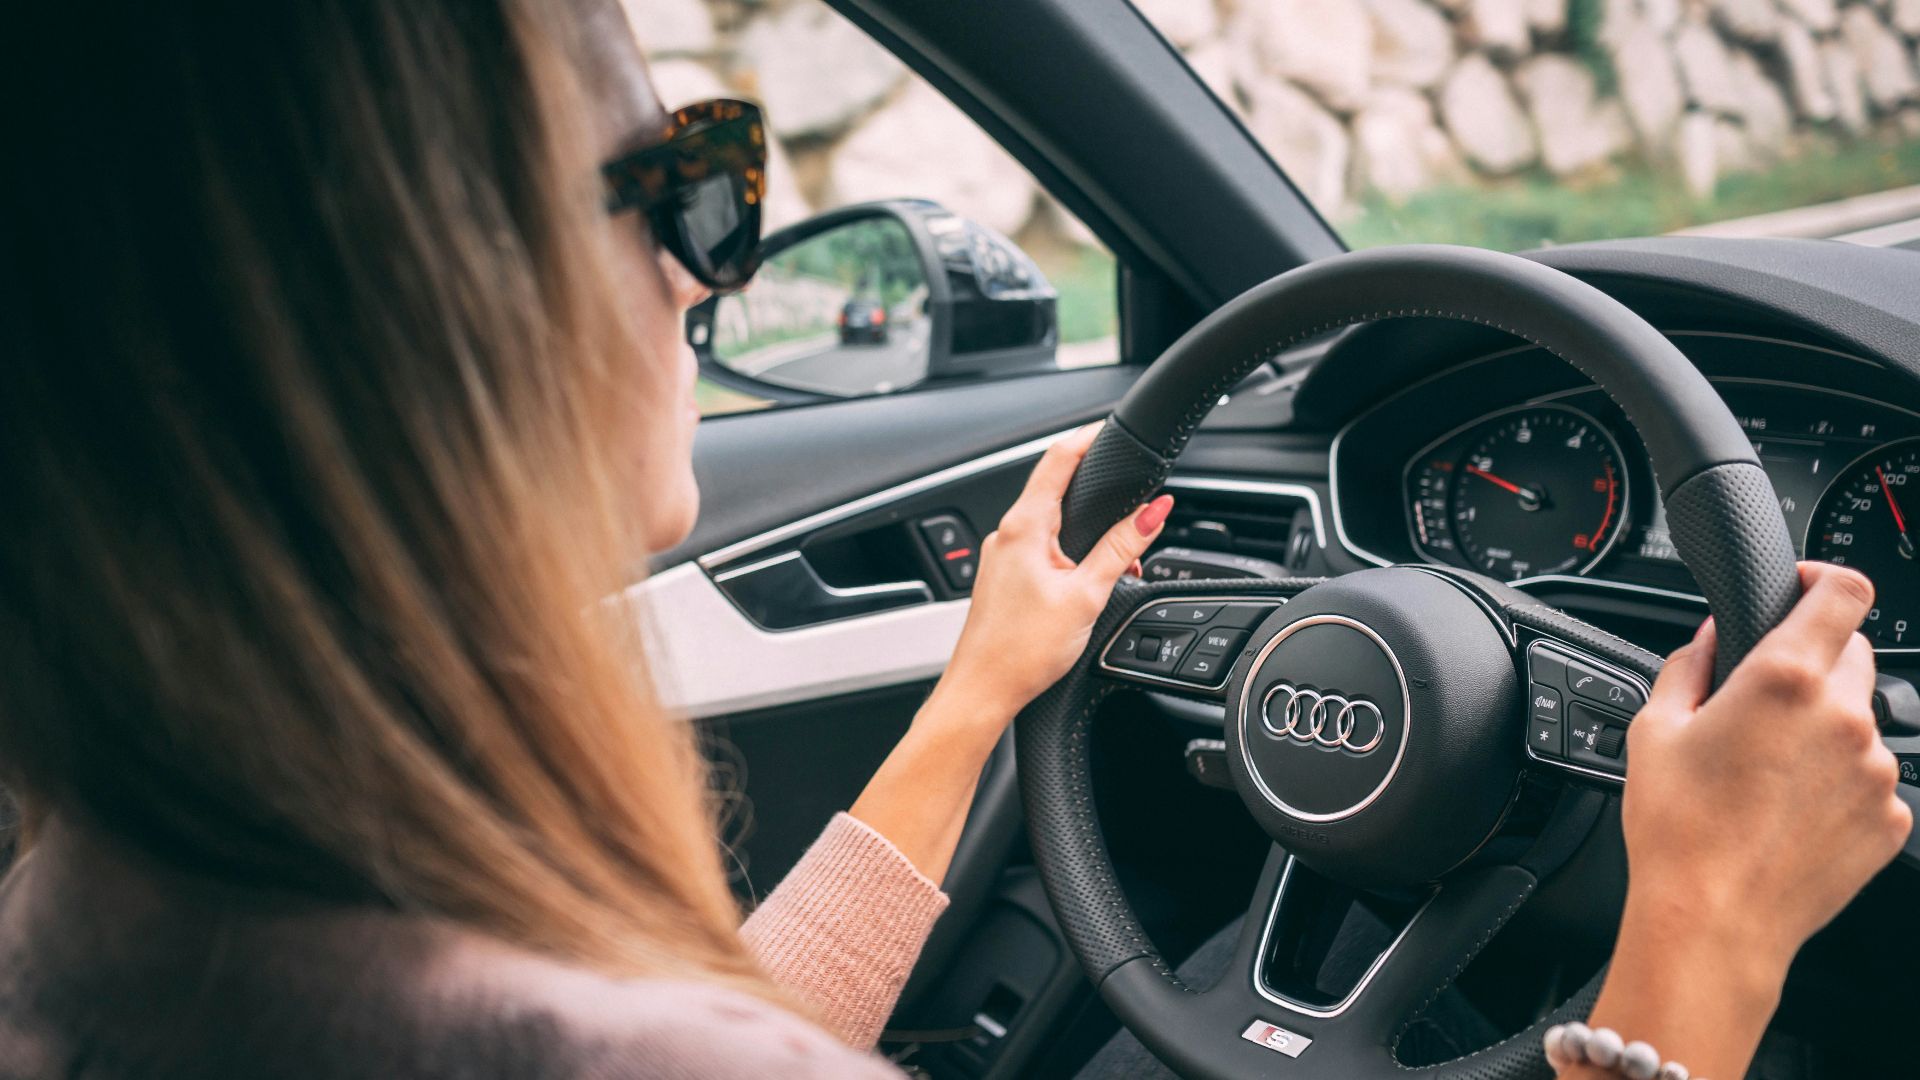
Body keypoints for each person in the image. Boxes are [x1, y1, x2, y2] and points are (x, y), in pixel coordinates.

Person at [0, 2, 1903, 1078]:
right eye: (690, 185)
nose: (706, 268)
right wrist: (1700, 933)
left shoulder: (109, 918)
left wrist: (976, 696)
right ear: (431, 294)